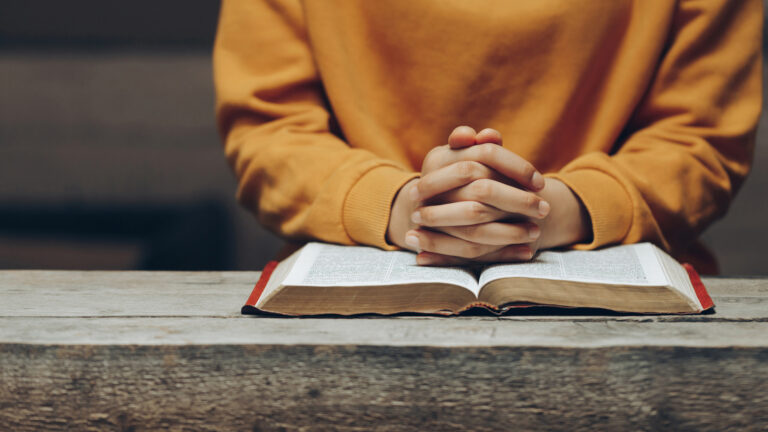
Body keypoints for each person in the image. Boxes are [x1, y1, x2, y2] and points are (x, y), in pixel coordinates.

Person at [213, 0, 762, 274]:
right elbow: (271, 128)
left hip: (630, 303)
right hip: (351, 292)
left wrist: (559, 210)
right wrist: (399, 207)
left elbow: (700, 135)